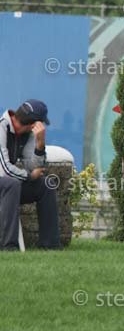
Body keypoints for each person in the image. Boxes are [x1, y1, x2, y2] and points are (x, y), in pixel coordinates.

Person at [0, 99, 60, 250]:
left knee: (46, 184)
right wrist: (29, 176)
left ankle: (50, 245)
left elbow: (33, 166)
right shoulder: (1, 127)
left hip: (7, 188)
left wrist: (40, 145)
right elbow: (5, 169)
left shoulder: (27, 134)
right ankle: (9, 246)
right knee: (12, 183)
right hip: (6, 184)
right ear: (34, 123)